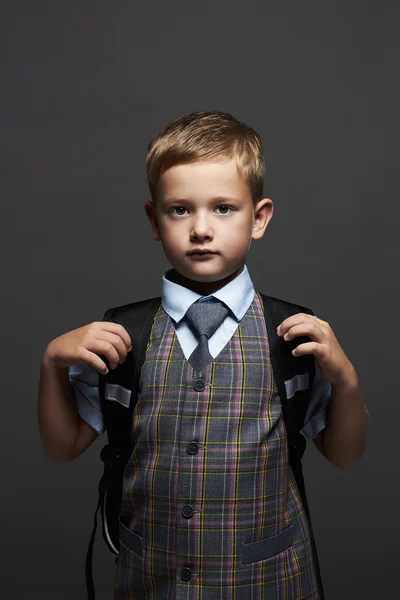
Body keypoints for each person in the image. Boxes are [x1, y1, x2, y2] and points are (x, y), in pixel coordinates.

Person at [38, 110, 369, 599]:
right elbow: (62, 448)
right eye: (179, 209)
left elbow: (344, 454)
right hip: (149, 581)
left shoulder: (292, 335)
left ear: (259, 218)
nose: (200, 229)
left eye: (223, 208)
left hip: (267, 582)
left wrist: (347, 381)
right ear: (154, 219)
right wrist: (51, 364)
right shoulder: (122, 334)